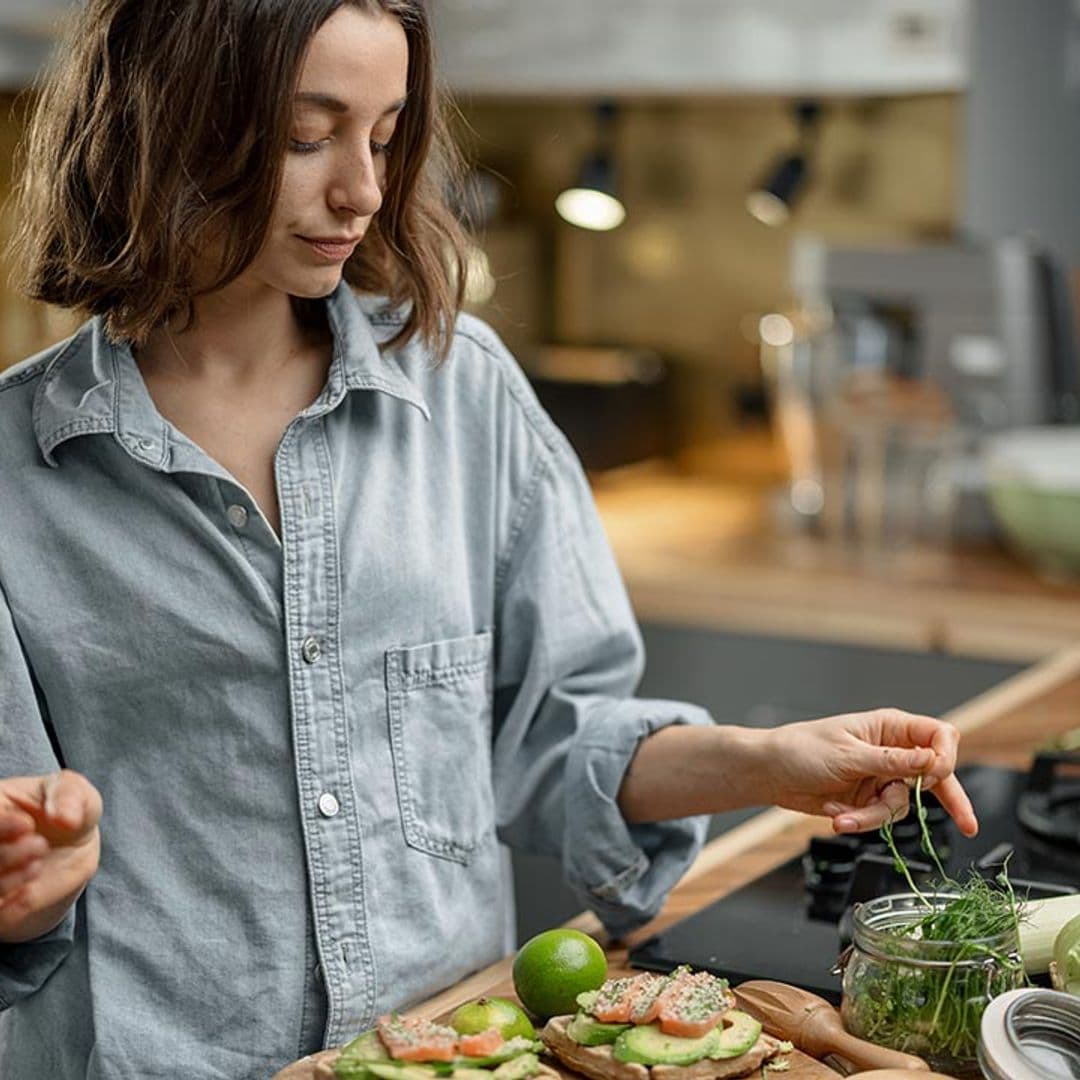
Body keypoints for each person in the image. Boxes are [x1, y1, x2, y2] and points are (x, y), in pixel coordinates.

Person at [0, 2, 977, 1077]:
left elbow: (555, 738)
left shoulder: (465, 393)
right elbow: (19, 876)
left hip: (458, 1054)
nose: (362, 191)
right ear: (163, 124)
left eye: (381, 136)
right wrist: (28, 885)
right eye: (303, 136)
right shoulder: (17, 472)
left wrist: (766, 763)